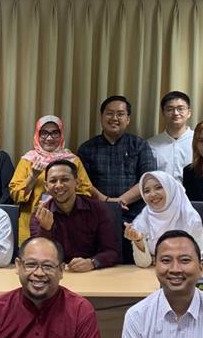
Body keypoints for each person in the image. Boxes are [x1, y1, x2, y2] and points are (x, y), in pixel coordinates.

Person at [76, 96, 156, 260]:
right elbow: (83, 183)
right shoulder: (87, 148)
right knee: (101, 261)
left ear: (128, 119)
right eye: (109, 113)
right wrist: (106, 201)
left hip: (135, 216)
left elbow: (147, 179)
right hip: (98, 216)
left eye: (120, 114)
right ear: (101, 117)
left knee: (135, 262)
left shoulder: (140, 145)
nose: (114, 118)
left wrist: (120, 201)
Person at [9, 115, 93, 245]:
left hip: (67, 222)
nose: (49, 138)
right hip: (31, 223)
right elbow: (15, 194)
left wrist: (61, 199)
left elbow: (86, 192)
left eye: (55, 133)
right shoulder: (28, 160)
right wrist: (32, 177)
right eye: (44, 133)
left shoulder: (73, 161)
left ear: (61, 135)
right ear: (37, 135)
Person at [30, 159, 120, 272]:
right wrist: (45, 229)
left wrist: (92, 262)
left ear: (77, 182)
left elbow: (112, 251)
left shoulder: (98, 209)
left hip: (93, 273)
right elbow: (36, 255)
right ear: (46, 186)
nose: (59, 185)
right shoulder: (39, 214)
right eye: (53, 181)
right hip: (55, 274)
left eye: (65, 179)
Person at [124, 171, 203, 268]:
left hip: (182, 273)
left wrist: (160, 260)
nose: (152, 194)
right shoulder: (142, 219)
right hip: (150, 274)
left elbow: (195, 259)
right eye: (147, 191)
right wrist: (138, 240)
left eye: (158, 187)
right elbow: (143, 264)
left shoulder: (190, 218)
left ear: (170, 188)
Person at [148, 91, 194, 182]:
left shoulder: (199, 141)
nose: (176, 113)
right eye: (170, 109)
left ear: (189, 113)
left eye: (180, 109)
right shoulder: (151, 144)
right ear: (163, 113)